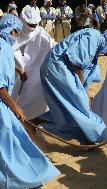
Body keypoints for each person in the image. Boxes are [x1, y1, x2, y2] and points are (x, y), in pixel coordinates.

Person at [0, 14, 60, 189]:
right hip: (2, 106)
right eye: (16, 32)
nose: (16, 36)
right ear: (11, 30)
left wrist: (19, 69)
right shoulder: (3, 47)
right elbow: (0, 87)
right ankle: (25, 180)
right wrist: (15, 107)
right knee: (11, 143)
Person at [32, 28, 107, 145]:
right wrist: (80, 86)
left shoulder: (95, 39)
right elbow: (76, 60)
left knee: (64, 105)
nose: (105, 54)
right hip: (57, 67)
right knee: (79, 105)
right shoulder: (93, 36)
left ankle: (35, 121)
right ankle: (91, 138)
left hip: (57, 67)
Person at [12, 6, 57, 120]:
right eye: (30, 25)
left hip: (35, 71)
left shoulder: (41, 33)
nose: (32, 28)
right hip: (16, 71)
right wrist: (19, 69)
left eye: (34, 25)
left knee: (35, 94)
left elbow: (54, 47)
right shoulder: (14, 30)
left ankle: (30, 117)